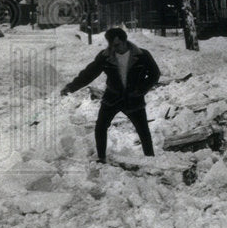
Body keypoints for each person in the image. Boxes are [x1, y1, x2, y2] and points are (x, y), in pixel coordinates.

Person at [60, 27, 161, 163]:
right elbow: (89, 74)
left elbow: (155, 74)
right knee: (100, 127)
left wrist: (141, 89)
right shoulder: (105, 56)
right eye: (111, 45)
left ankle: (151, 160)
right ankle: (101, 158)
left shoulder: (143, 55)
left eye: (117, 45)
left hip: (133, 99)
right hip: (112, 98)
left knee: (143, 130)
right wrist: (71, 87)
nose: (114, 48)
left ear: (125, 41)